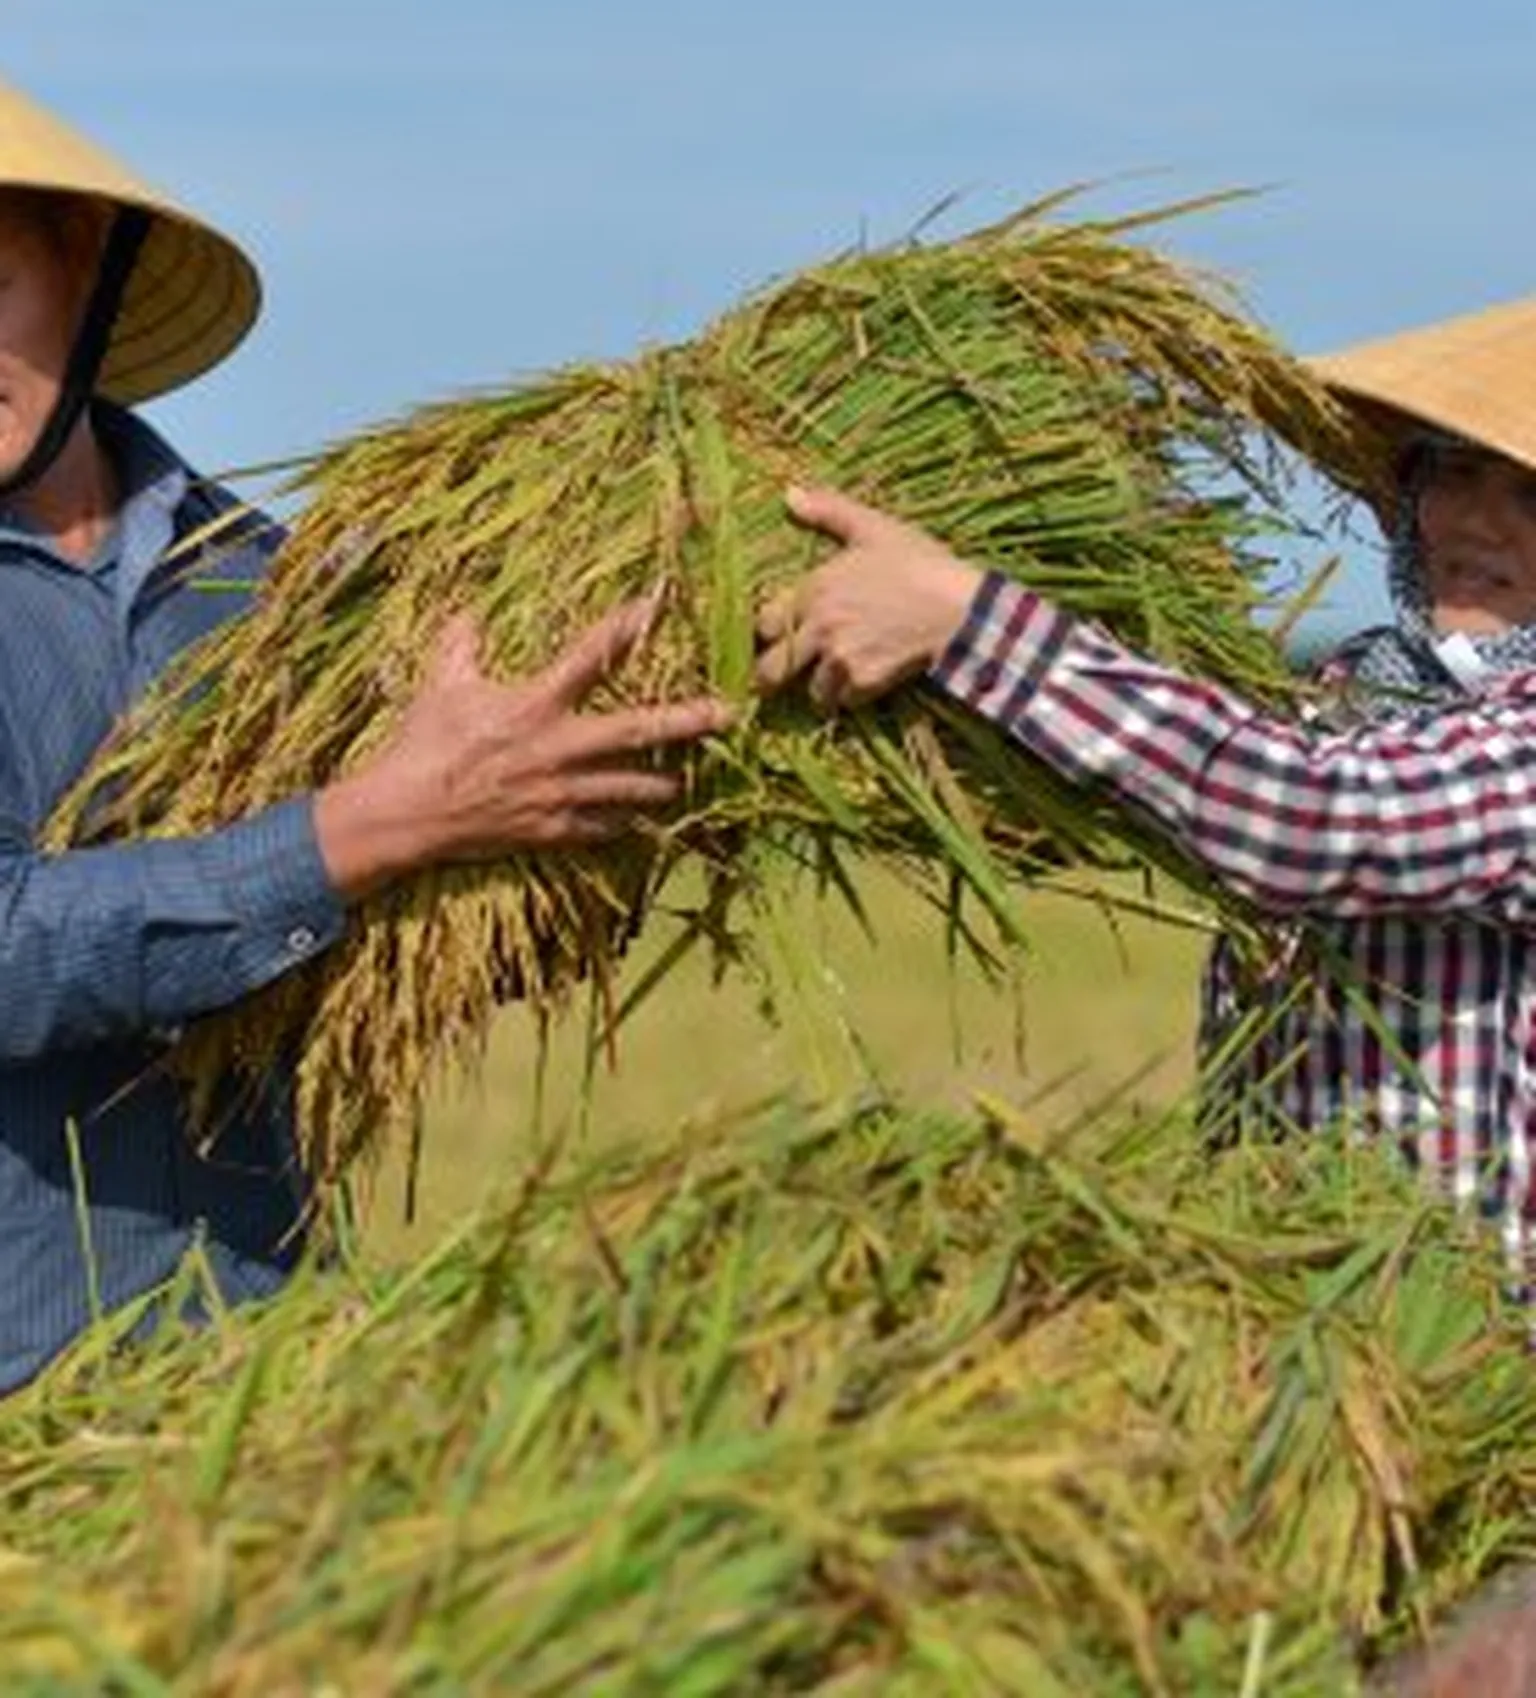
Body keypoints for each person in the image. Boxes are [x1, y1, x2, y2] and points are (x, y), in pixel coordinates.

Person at [0, 80, 729, 1394]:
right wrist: (368, 828)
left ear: (85, 265)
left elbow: (414, 922)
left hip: (264, 1384)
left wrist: (577, 811)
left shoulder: (267, 587)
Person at [757, 292, 1536, 1282]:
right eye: (1455, 472)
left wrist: (969, 620)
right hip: (1298, 1327)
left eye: (1532, 497)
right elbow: (1189, 775)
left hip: (1475, 1355)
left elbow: (1306, 820)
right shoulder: (1352, 695)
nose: (1478, 523)